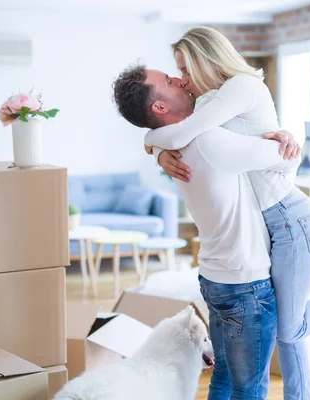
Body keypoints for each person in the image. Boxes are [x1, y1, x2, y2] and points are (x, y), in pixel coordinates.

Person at [136, 27, 310, 400]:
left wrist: (151, 142)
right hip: (271, 225)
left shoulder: (241, 87)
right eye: (177, 72)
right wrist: (154, 148)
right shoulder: (210, 101)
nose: (182, 79)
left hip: (291, 219)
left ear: (205, 59)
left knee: (289, 330)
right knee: (285, 332)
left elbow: (183, 133)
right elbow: (182, 131)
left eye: (185, 69)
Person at [113, 65, 299, 399]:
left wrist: (153, 145)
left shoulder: (181, 144)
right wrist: (285, 138)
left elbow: (165, 136)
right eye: (170, 81)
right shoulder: (209, 141)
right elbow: (288, 160)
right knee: (250, 387)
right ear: (159, 107)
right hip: (245, 282)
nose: (181, 80)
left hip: (215, 277)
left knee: (225, 377)